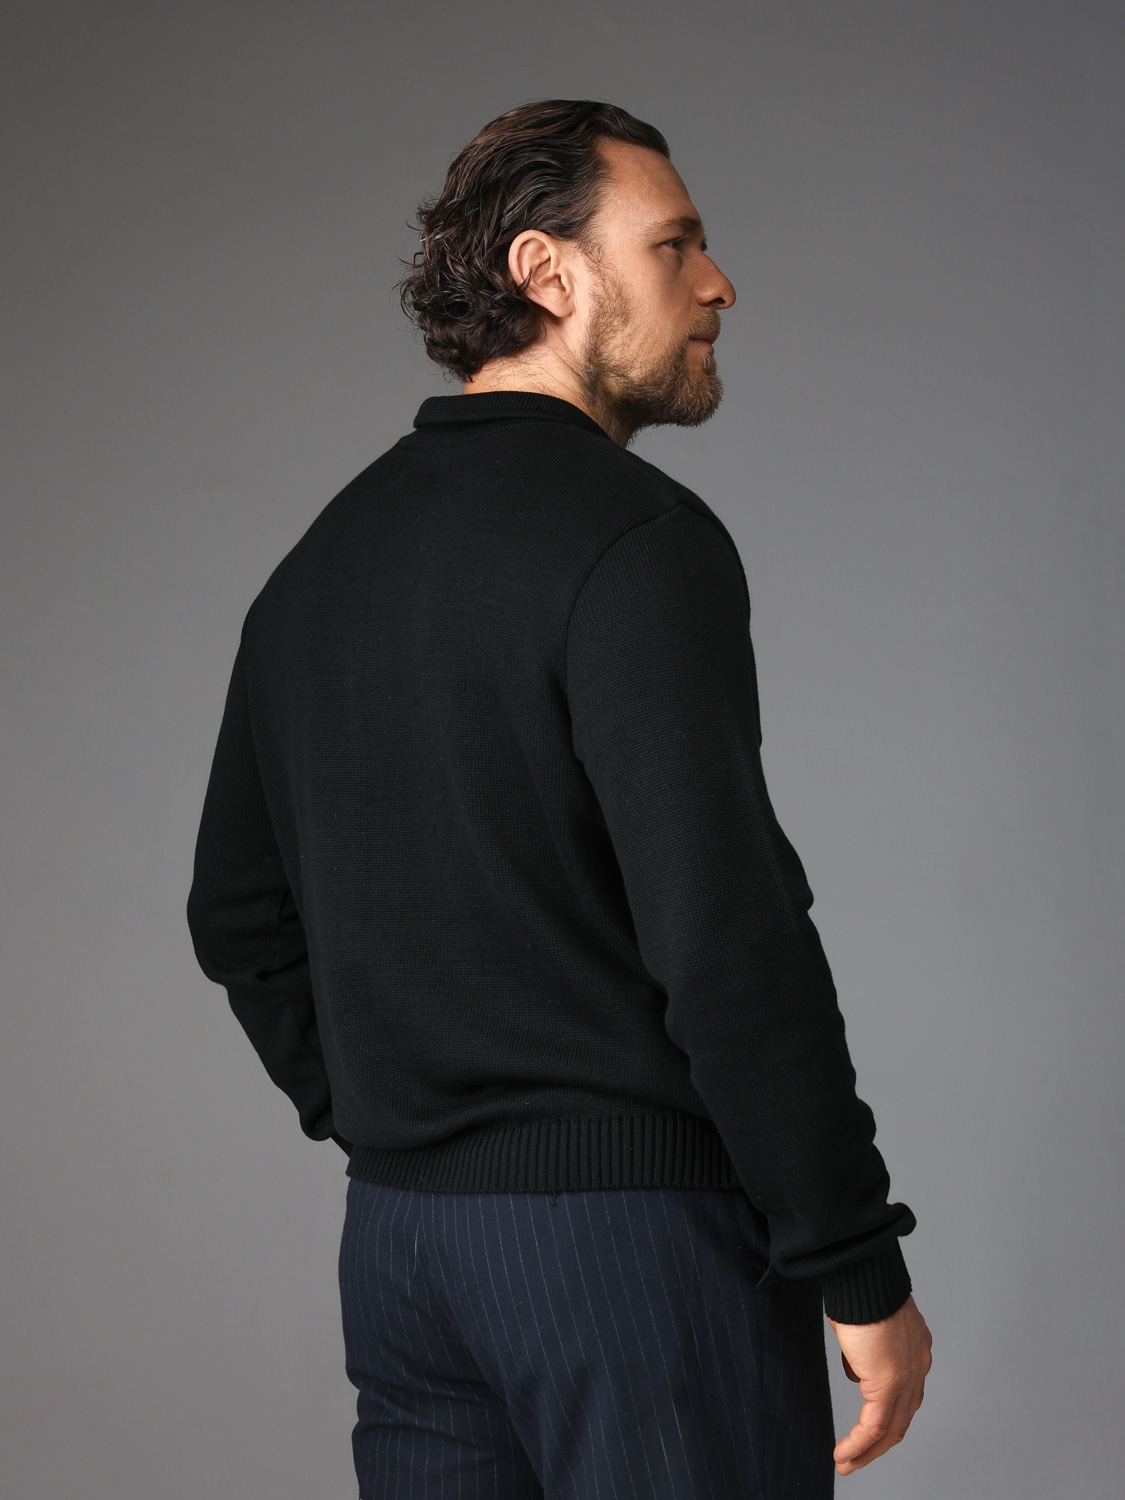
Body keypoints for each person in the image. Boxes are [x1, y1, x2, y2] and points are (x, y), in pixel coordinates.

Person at [187, 98, 932, 1498]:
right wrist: (854, 1260)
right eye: (674, 246)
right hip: (636, 1254)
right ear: (547, 273)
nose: (718, 284)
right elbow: (726, 938)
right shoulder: (637, 542)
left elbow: (235, 915)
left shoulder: (321, 561)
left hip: (404, 1254)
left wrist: (404, 1122)